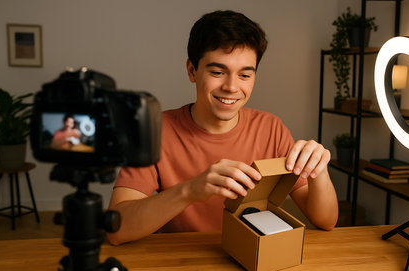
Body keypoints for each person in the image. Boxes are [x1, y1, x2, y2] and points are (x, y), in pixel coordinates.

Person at [108, 10, 338, 245]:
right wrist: (190, 191)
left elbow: (326, 221)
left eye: (245, 75)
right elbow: (116, 229)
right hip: (180, 265)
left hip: (252, 259)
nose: (231, 87)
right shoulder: (155, 131)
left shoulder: (271, 128)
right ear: (192, 71)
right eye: (217, 72)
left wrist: (319, 170)